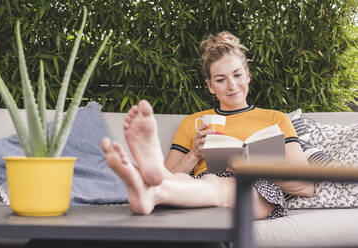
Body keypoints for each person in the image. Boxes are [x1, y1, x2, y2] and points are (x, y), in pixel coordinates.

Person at [101, 31, 314, 219]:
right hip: (199, 187)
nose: (232, 85)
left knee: (217, 183)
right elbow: (166, 175)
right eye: (220, 80)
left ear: (247, 75)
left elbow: (305, 185)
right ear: (210, 86)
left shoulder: (276, 119)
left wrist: (253, 168)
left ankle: (150, 192)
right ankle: (147, 192)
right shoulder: (193, 122)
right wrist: (193, 155)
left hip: (257, 189)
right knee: (185, 179)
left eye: (237, 75)